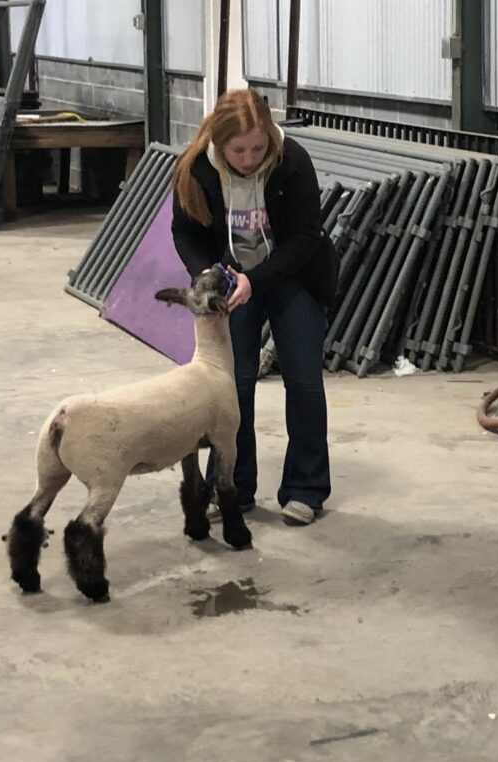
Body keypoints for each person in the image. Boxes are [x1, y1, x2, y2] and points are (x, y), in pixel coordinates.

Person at [171, 88, 336, 527]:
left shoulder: (292, 161)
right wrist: (205, 271)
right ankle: (231, 487)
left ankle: (305, 489)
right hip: (229, 279)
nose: (249, 158)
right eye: (238, 150)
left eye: (258, 148)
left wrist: (255, 279)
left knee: (303, 380)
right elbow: (183, 231)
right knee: (232, 385)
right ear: (219, 143)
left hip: (293, 273)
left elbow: (306, 236)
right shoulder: (195, 168)